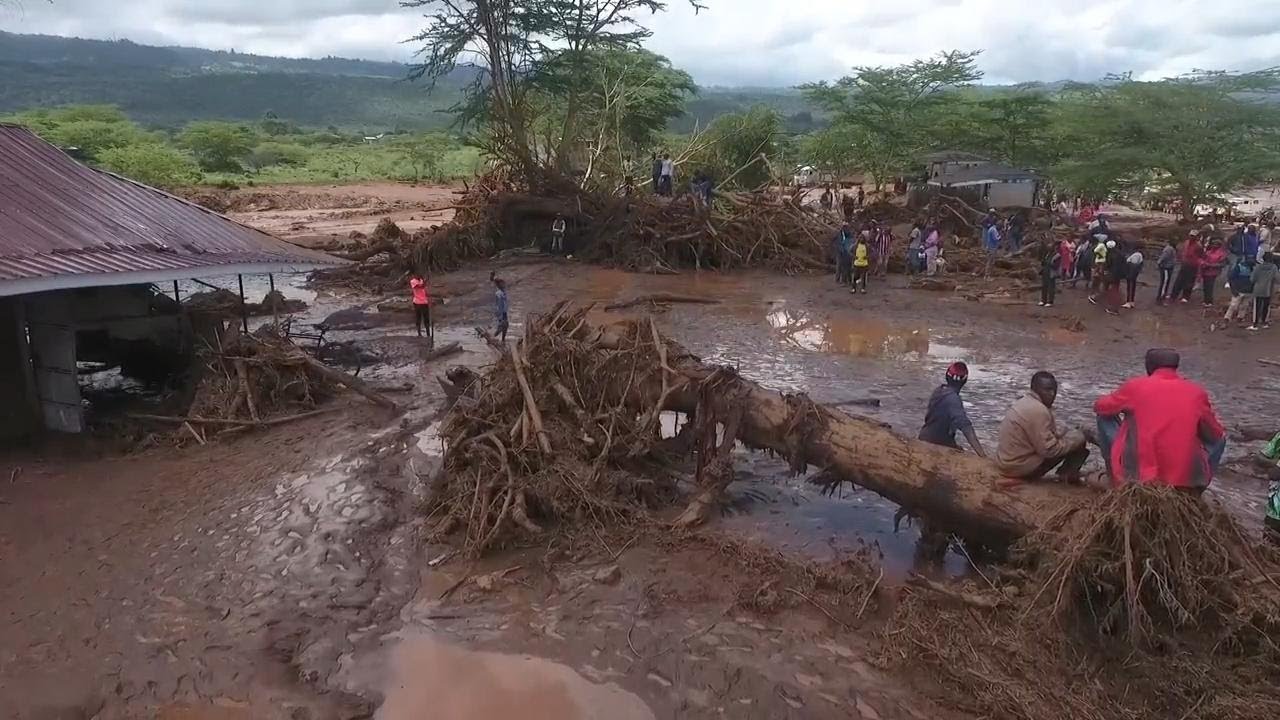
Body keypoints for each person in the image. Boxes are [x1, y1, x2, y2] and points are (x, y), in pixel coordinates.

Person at [1093, 349, 1226, 492]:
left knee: (1104, 416)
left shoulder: (1136, 386)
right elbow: (1215, 433)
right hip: (1182, 475)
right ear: (1175, 366)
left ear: (1149, 366)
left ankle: (1115, 476)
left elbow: (1101, 407)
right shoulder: (1197, 392)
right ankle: (1197, 485)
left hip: (1141, 473)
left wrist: (1127, 410)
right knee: (1220, 438)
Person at [995, 371, 1090, 482]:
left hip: (1004, 462)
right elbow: (1049, 451)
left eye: (1054, 390)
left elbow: (1038, 437)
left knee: (1073, 436)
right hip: (1017, 468)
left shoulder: (1024, 402)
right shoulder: (1039, 410)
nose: (1052, 394)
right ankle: (1066, 476)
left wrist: (1064, 434)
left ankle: (1066, 474)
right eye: (1047, 390)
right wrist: (1078, 438)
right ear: (1035, 389)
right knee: (1079, 439)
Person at [918, 362, 987, 457]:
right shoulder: (954, 399)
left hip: (925, 437)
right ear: (965, 380)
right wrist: (982, 455)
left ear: (947, 376)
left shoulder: (939, 391)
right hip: (937, 444)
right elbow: (966, 427)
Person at [1170, 229, 1205, 303]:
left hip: (1193, 265)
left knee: (1189, 281)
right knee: (1179, 280)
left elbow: (1201, 256)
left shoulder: (1198, 246)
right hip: (1184, 263)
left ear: (1196, 237)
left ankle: (1185, 296)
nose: (1191, 237)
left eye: (1193, 236)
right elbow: (1183, 251)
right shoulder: (1186, 242)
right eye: (1190, 235)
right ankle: (1173, 295)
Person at [1224, 254, 1255, 324]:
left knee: (1244, 306)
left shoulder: (1253, 268)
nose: (1252, 261)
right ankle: (1226, 319)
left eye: (1253, 259)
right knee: (1233, 306)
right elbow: (1231, 278)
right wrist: (1233, 290)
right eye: (1250, 259)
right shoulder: (1239, 267)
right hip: (1239, 290)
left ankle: (1240, 319)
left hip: (1248, 291)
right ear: (1246, 260)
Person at [1250, 252, 1277, 331]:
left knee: (1257, 307)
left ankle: (1255, 324)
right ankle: (1264, 323)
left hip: (1258, 289)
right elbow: (1278, 278)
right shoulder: (1274, 267)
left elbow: (1252, 279)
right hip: (1268, 289)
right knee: (1266, 306)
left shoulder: (1258, 267)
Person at [1199, 239, 1228, 307]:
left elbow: (1222, 264)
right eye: (1213, 244)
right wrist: (1203, 263)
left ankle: (1209, 301)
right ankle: (1205, 300)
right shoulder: (1208, 252)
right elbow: (1203, 259)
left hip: (1213, 272)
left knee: (1210, 287)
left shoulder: (1222, 254)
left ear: (1219, 245)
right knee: (1205, 287)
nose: (1214, 245)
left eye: (1216, 244)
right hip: (1205, 271)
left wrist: (1211, 265)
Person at [409, 272, 432, 340]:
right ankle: (419, 333)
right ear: (414, 275)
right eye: (418, 274)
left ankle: (428, 334)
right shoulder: (413, 281)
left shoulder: (421, 280)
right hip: (417, 302)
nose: (419, 276)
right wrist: (425, 281)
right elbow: (420, 287)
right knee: (418, 318)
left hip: (424, 302)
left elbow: (423, 289)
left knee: (426, 319)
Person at [1156, 236, 1179, 304]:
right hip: (1165, 268)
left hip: (1169, 267)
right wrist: (1159, 264)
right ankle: (1160, 299)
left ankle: (1163, 296)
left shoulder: (1173, 249)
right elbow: (1162, 258)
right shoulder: (1169, 249)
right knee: (1164, 283)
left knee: (1166, 283)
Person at [1037, 239, 1059, 307]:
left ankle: (1050, 301)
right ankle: (1043, 300)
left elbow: (1056, 266)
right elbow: (1043, 262)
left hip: (1051, 273)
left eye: (1050, 247)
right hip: (1045, 272)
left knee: (1051, 288)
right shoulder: (1047, 254)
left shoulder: (1057, 256)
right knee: (1044, 287)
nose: (1049, 248)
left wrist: (1048, 263)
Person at [1123, 243, 1144, 309]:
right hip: (1134, 274)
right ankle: (1131, 301)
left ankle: (1128, 302)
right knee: (1131, 287)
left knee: (1130, 288)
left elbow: (1133, 266)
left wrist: (1130, 275)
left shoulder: (1136, 255)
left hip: (1131, 274)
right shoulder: (1140, 255)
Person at [491, 272, 509, 343]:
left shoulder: (503, 291)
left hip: (504, 312)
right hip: (501, 312)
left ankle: (502, 340)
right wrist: (500, 316)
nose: (504, 285)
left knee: (505, 327)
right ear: (499, 285)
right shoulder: (499, 293)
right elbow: (499, 305)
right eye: (503, 284)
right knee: (502, 327)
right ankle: (492, 338)